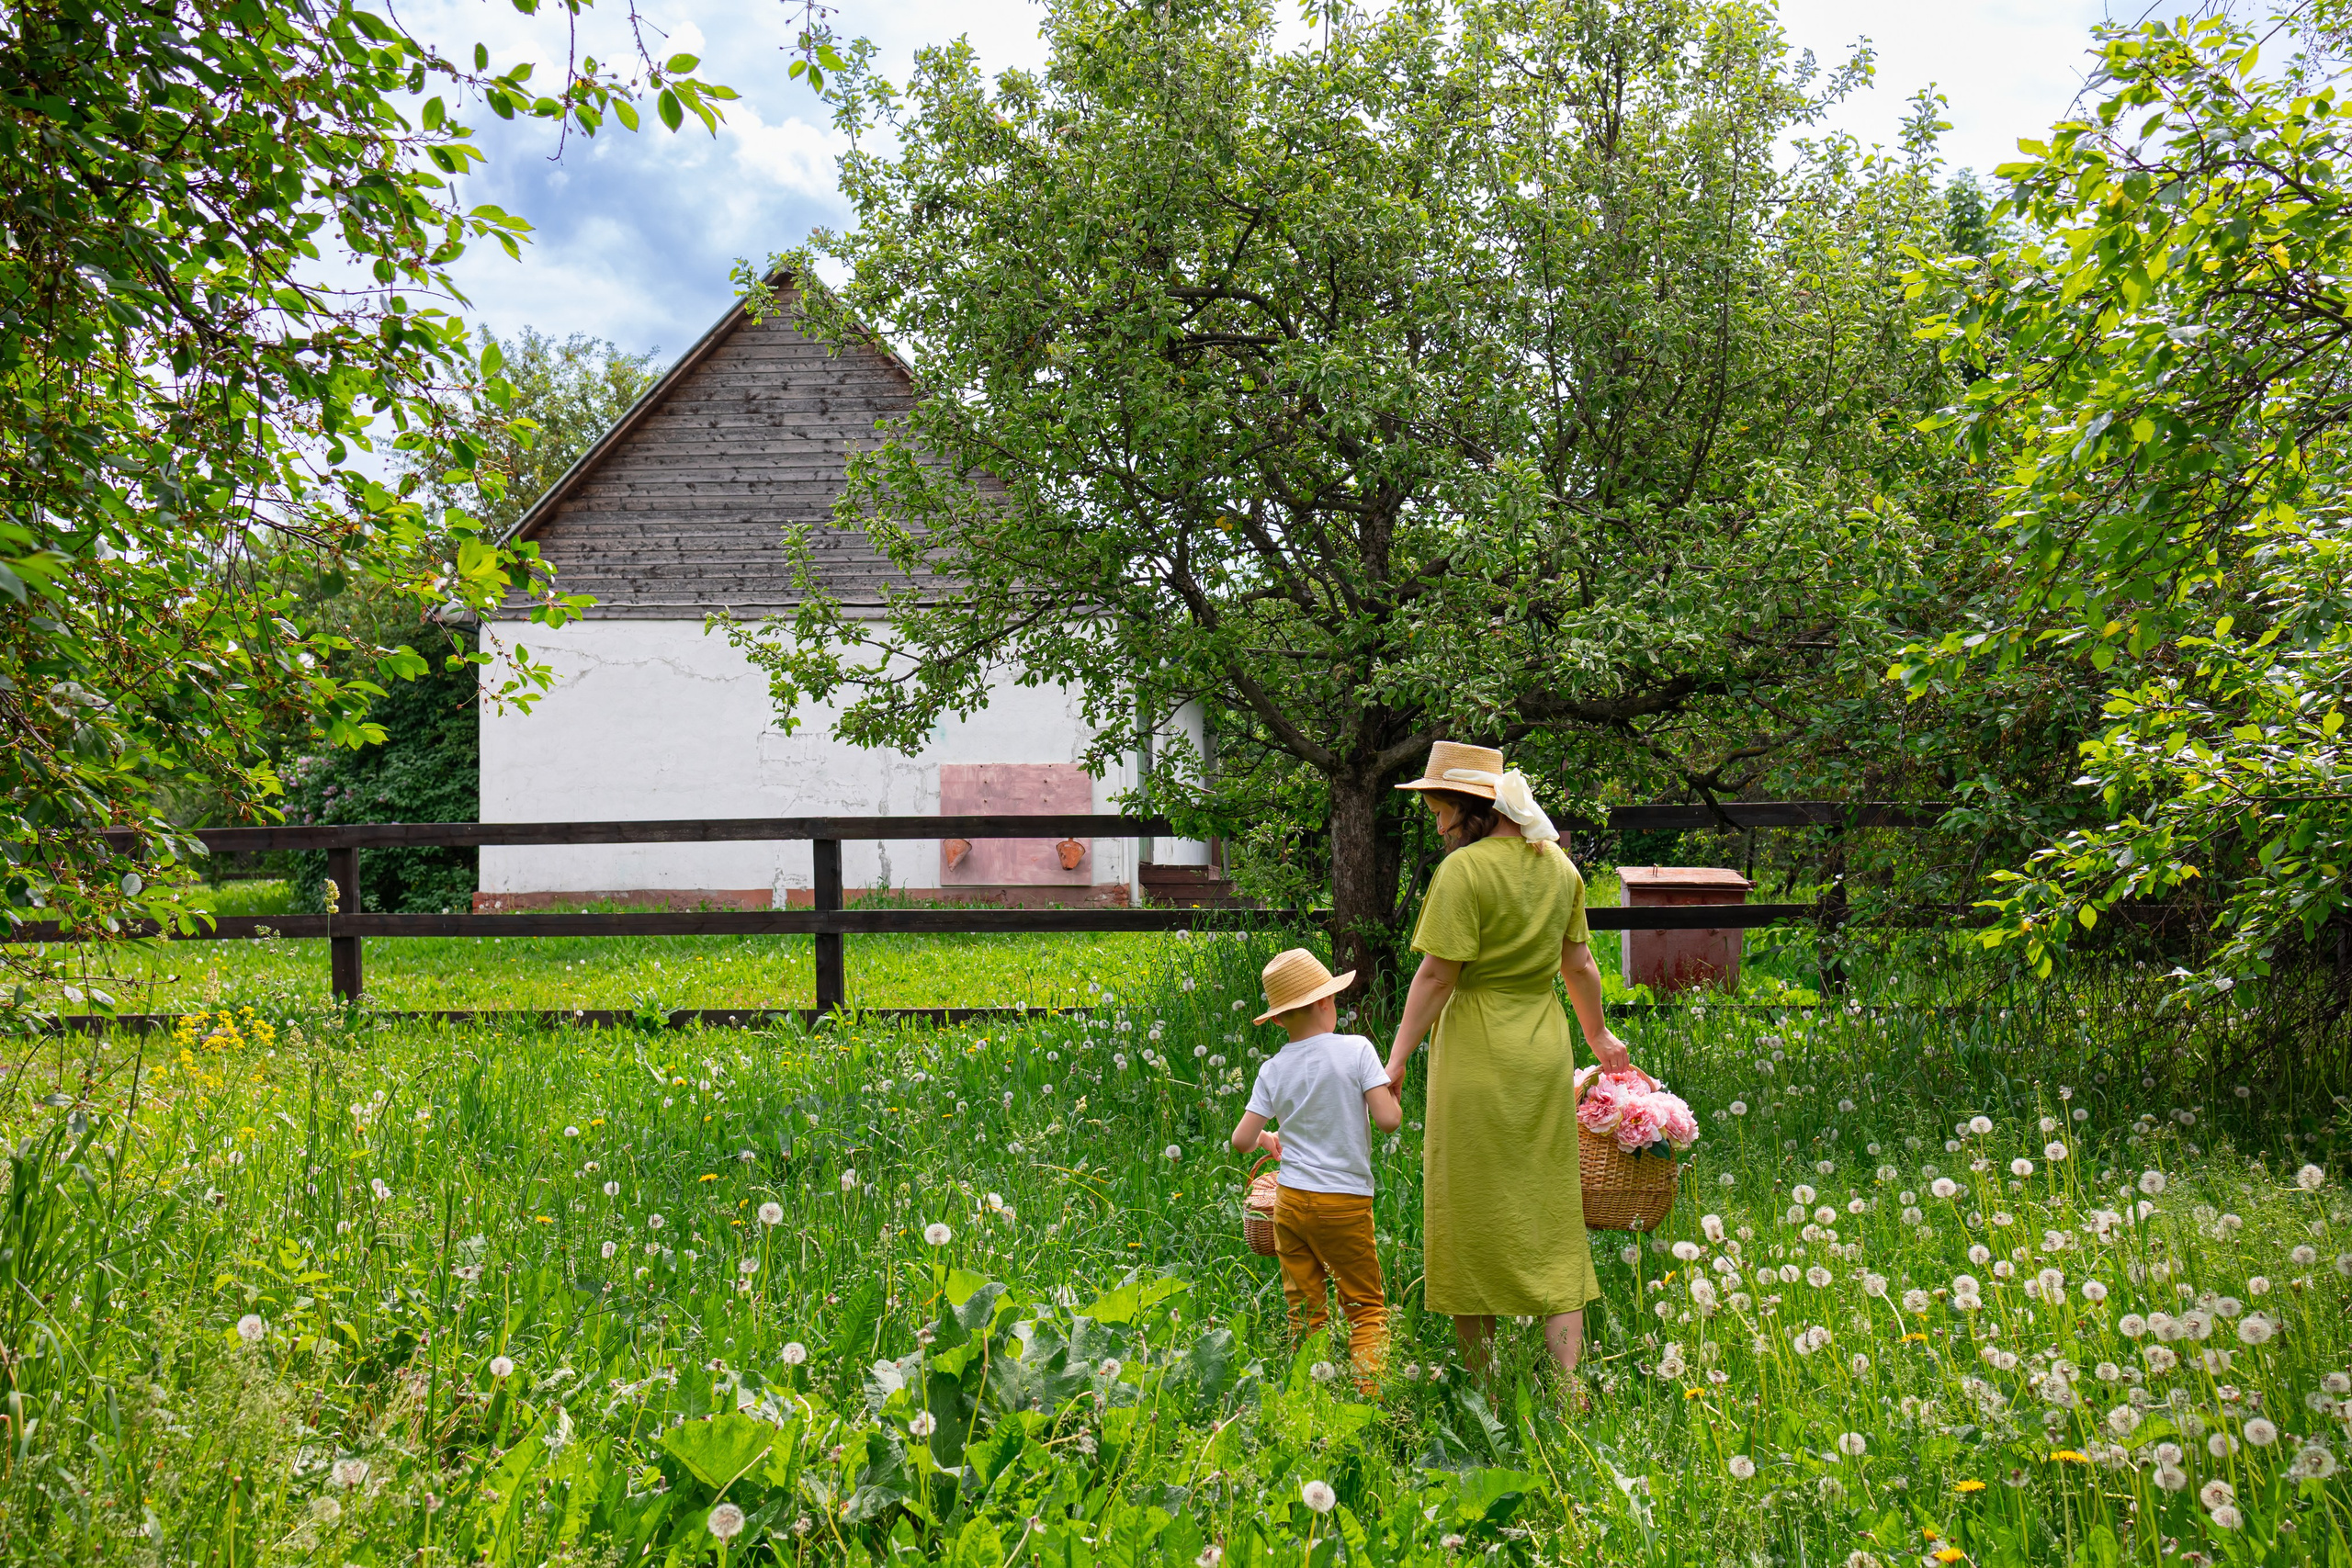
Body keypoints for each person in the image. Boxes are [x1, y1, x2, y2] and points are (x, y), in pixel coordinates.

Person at [1383, 740, 1630, 1386]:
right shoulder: (1559, 868)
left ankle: (1486, 1382)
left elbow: (1438, 974)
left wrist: (1397, 1056)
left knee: (1471, 1207)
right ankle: (1569, 1382)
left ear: (1467, 806)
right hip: (1543, 1047)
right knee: (1549, 1205)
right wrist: (1599, 1036)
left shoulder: (1462, 873)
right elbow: (1579, 964)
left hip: (1477, 1049)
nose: (1434, 816)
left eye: (1438, 803)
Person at [1230, 947, 1404, 1390]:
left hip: (1289, 1205)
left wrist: (1271, 1140)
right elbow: (1388, 1121)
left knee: (1305, 1309)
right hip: (1343, 1204)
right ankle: (1370, 1398)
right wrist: (1390, 1091)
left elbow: (1241, 1141)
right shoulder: (1357, 1050)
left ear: (1280, 1018)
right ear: (1326, 1002)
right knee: (1364, 1305)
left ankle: (1307, 1396)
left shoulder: (1273, 1068)